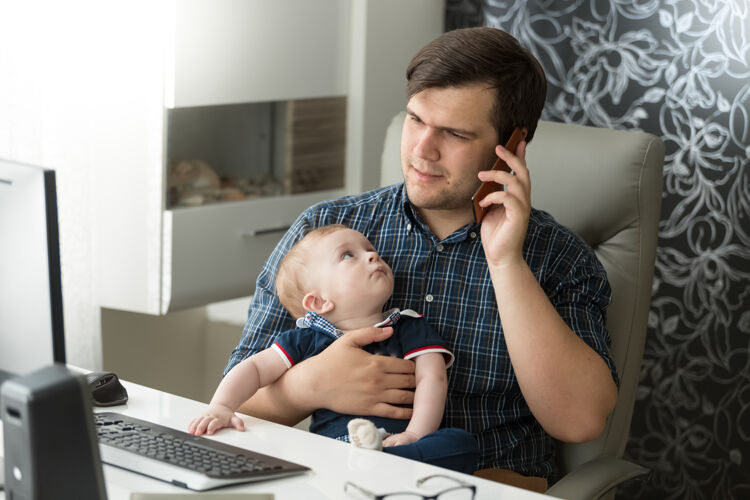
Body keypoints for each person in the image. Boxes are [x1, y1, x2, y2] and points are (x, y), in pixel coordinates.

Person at [224, 27, 618, 486]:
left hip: (483, 486)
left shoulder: (559, 257)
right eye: (415, 120)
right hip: (340, 481)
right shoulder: (324, 231)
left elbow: (580, 421)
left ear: (511, 147)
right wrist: (312, 385)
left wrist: (505, 261)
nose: (421, 151)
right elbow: (235, 399)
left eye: (453, 132)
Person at [189, 225, 479, 474]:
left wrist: (416, 434)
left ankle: (383, 464)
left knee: (459, 444)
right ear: (318, 303)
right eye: (347, 255)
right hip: (336, 449)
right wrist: (221, 407)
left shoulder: (407, 325)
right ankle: (370, 465)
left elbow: (433, 379)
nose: (372, 254)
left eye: (369, 248)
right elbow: (253, 368)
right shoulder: (307, 339)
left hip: (402, 445)